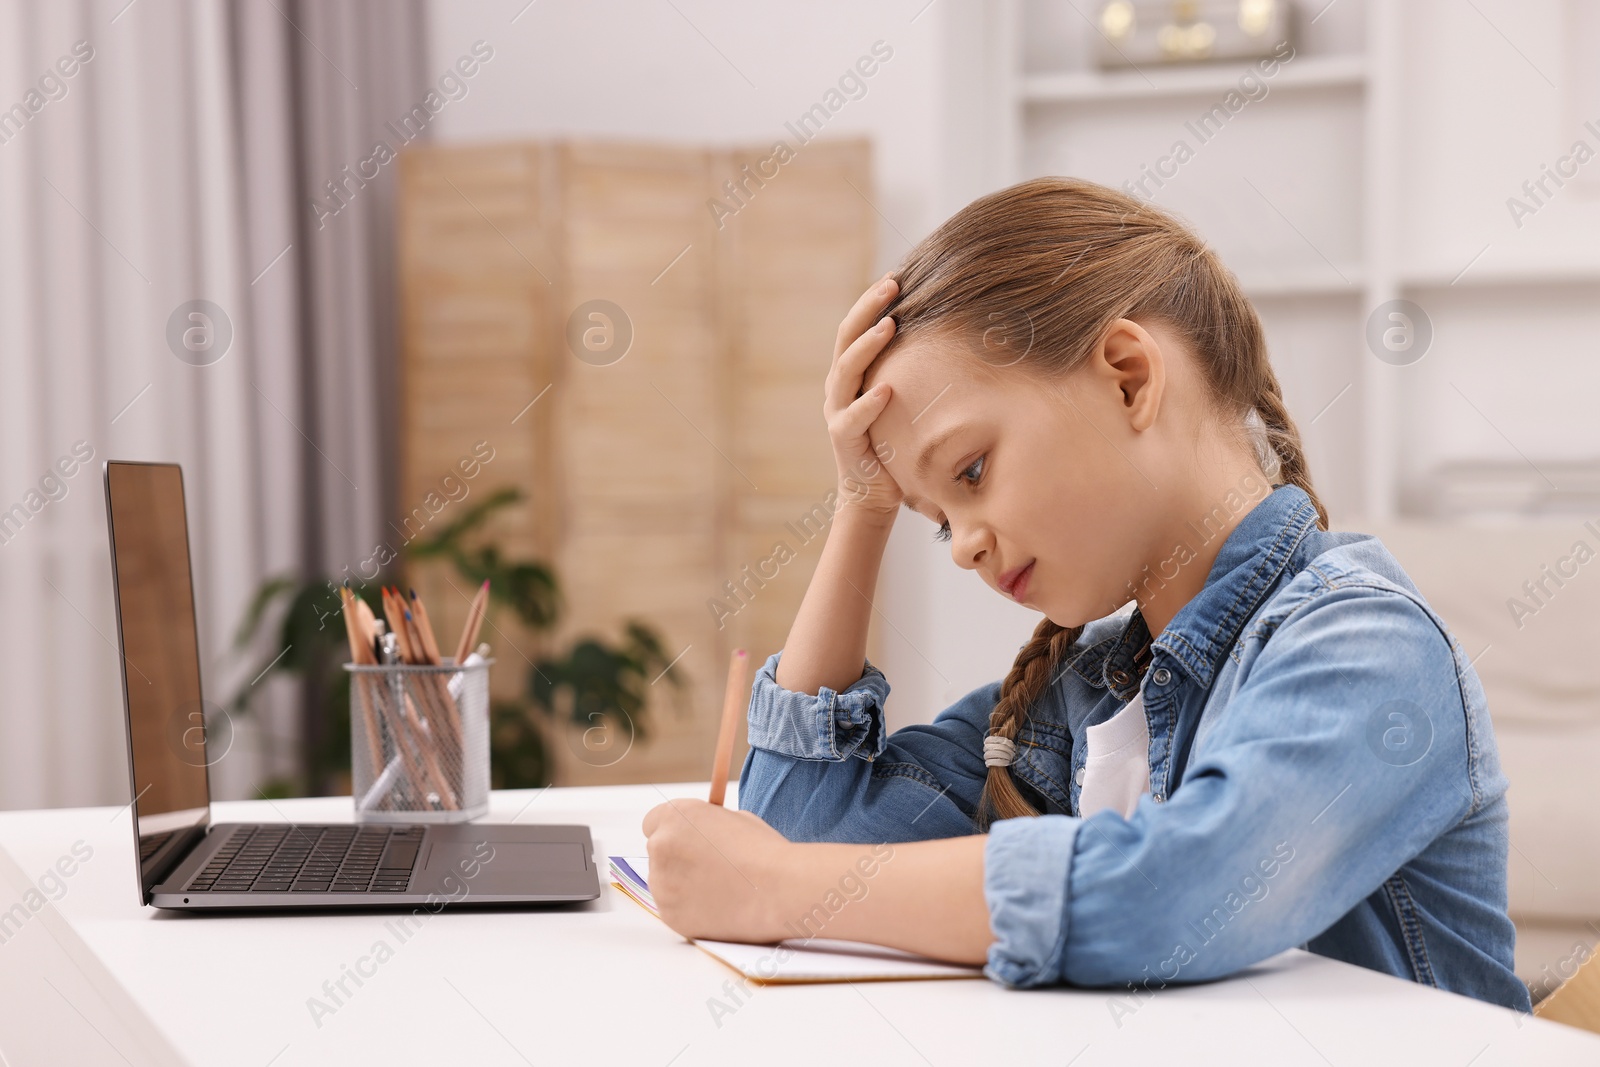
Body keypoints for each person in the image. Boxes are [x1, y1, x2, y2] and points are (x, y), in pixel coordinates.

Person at [640, 177, 1530, 1011]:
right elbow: (802, 827)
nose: (963, 547)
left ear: (1127, 376)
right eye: (938, 521)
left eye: (972, 470)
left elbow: (1179, 895)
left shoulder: (1368, 645)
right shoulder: (1080, 695)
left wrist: (768, 891)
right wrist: (862, 506)